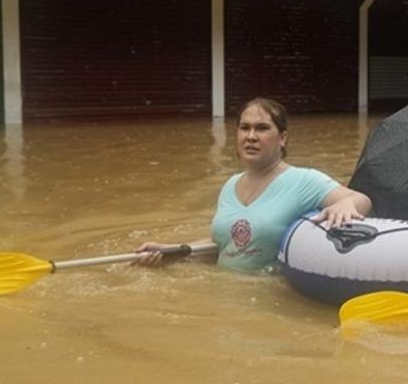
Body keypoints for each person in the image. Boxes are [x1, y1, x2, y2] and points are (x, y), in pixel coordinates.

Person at [135, 97, 372, 271]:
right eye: (244, 128)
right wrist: (171, 251)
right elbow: (225, 245)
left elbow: (361, 200)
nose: (251, 136)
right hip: (223, 299)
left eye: (262, 128)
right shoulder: (230, 185)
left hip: (270, 301)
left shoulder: (303, 180)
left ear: (282, 138)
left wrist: (345, 205)